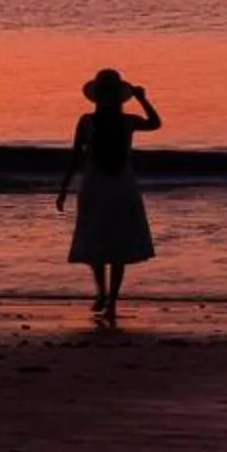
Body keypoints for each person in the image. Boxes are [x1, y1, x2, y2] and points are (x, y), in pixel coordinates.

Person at [56, 68, 158, 323]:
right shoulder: (121, 121)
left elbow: (76, 157)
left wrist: (64, 189)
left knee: (99, 239)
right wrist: (142, 98)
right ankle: (109, 299)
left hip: (100, 183)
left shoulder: (90, 121)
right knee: (115, 243)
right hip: (118, 183)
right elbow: (155, 123)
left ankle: (104, 295)